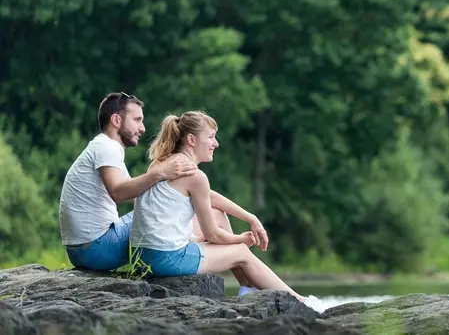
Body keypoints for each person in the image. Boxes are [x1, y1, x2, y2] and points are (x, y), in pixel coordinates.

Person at [129, 110, 322, 310]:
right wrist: (241, 240)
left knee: (218, 215)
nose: (216, 143)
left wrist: (251, 217)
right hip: (163, 258)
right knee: (240, 252)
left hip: (141, 256)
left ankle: (248, 288)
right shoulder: (195, 176)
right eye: (211, 137)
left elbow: (210, 197)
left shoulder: (161, 163)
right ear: (192, 140)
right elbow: (212, 235)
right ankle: (302, 303)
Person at [59, 92, 199, 272]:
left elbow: (138, 197)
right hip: (98, 248)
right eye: (137, 120)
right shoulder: (106, 147)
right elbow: (118, 192)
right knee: (169, 214)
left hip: (84, 251)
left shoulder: (104, 147)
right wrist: (160, 173)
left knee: (169, 211)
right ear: (117, 120)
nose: (142, 128)